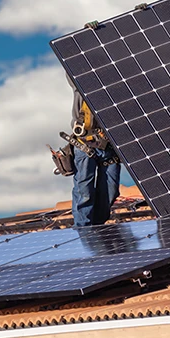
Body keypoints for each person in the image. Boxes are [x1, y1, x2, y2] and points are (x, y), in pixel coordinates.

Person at [68, 75, 121, 227]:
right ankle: (84, 231)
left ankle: (97, 228)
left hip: (109, 148)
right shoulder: (81, 85)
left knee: (110, 192)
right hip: (85, 145)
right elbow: (73, 70)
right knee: (84, 194)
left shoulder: (116, 88)